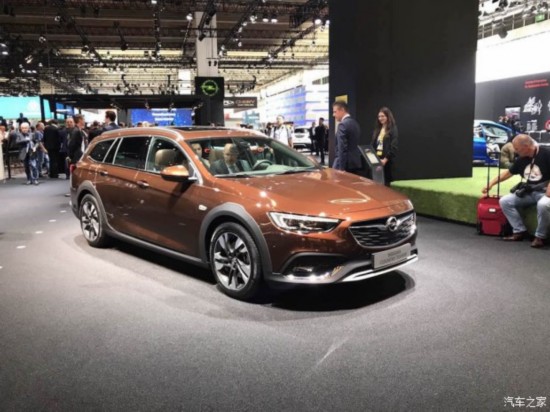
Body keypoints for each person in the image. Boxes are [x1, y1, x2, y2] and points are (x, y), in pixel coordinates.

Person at [482, 134, 550, 248]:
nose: (515, 151)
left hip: (545, 192)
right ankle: (519, 231)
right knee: (505, 201)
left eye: (517, 148)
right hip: (530, 192)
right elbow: (508, 173)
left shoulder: (546, 154)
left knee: (543, 204)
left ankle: (540, 237)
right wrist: (490, 184)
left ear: (527, 146)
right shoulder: (521, 159)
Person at [332, 100, 362, 174]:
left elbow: (342, 148)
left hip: (344, 165)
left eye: (335, 112)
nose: (333, 115)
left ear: (342, 110)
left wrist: (341, 168)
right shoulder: (355, 123)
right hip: (355, 163)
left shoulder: (342, 125)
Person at [372, 107, 398, 186]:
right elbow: (373, 144)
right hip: (377, 161)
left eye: (382, 116)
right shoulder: (378, 129)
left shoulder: (393, 129)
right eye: (379, 116)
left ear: (388, 116)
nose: (380, 118)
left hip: (387, 162)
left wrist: (385, 160)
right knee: (376, 185)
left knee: (386, 185)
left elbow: (393, 147)